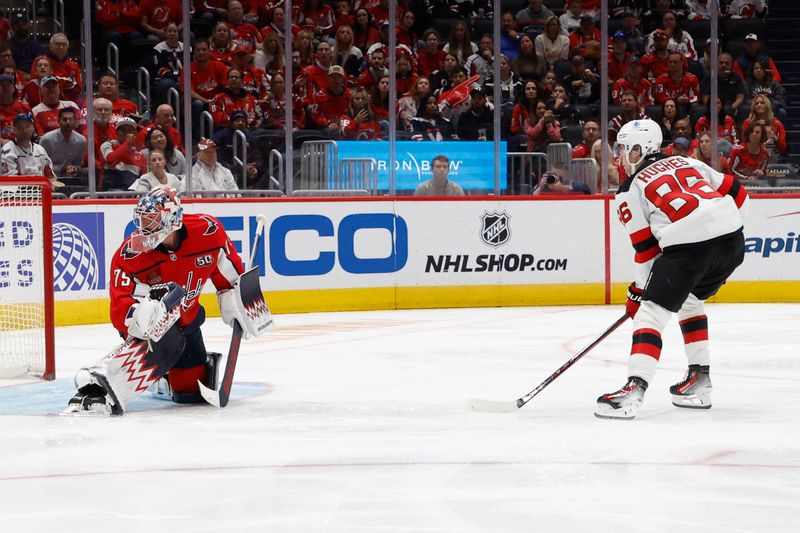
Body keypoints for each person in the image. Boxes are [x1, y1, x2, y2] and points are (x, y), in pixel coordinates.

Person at [64, 186, 267, 416]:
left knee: (190, 394)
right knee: (163, 333)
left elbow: (231, 278)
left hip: (188, 321)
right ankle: (99, 387)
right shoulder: (131, 255)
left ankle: (166, 376)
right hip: (151, 332)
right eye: (142, 220)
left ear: (172, 218)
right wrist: (140, 316)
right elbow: (120, 304)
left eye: (152, 220)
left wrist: (242, 303)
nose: (144, 228)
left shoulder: (208, 232)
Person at [595, 118, 748, 420]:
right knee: (691, 301)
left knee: (651, 313)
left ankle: (633, 390)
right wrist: (721, 231)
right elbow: (739, 194)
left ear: (642, 149)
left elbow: (647, 250)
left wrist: (638, 296)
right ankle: (699, 381)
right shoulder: (687, 161)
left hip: (690, 246)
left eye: (626, 148)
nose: (621, 155)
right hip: (732, 240)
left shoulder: (630, 188)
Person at [0, 113, 55, 180]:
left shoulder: (40, 149)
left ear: (33, 128)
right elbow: (11, 181)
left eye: (27, 126)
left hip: (42, 188)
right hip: (19, 189)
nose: (24, 130)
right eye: (20, 127)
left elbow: (50, 176)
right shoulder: (8, 150)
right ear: (14, 130)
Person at [39, 107, 87, 179]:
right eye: (64, 119)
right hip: (51, 177)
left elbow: (79, 164)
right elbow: (40, 165)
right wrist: (62, 169)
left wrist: (75, 168)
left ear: (75, 122)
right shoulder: (47, 139)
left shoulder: (81, 140)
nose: (68, 122)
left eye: (71, 119)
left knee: (87, 172)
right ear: (58, 122)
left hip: (72, 177)